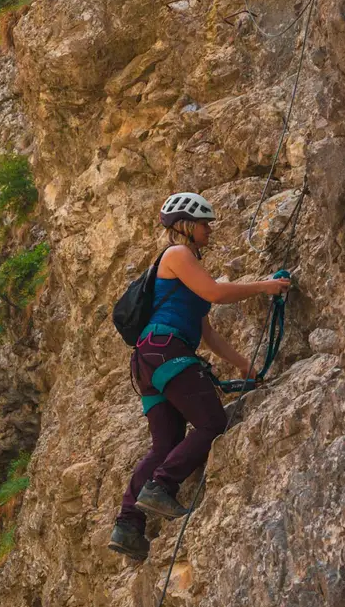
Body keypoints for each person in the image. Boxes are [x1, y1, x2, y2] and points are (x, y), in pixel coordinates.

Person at [108, 191, 292, 561]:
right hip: (167, 351)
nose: (210, 230)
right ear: (186, 227)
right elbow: (216, 293)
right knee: (212, 422)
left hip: (149, 360)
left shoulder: (179, 275)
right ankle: (161, 486)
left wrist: (246, 366)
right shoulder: (178, 256)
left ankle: (128, 525)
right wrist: (265, 286)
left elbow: (206, 334)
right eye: (204, 223)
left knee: (165, 443)